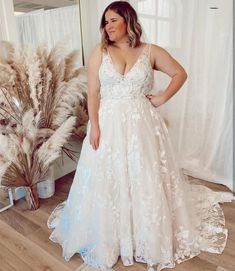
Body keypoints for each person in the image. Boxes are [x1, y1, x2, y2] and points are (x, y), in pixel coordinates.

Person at [47, 1, 232, 271]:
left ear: (128, 21)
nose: (107, 26)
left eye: (113, 20)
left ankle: (146, 232)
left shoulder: (150, 51)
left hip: (142, 125)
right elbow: (94, 93)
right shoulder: (100, 52)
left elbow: (180, 73)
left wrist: (161, 98)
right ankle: (111, 233)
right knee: (108, 176)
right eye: (105, 21)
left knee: (145, 175)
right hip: (108, 124)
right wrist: (95, 126)